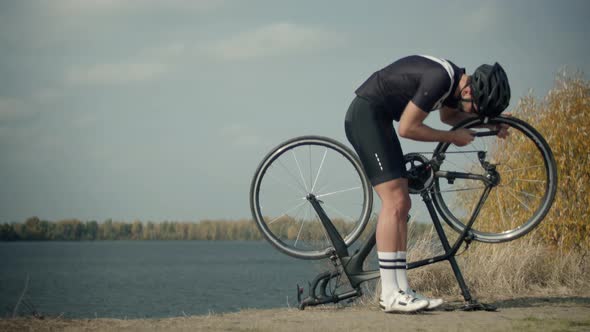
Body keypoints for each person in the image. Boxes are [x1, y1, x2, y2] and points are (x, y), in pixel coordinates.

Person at [344, 55, 511, 313]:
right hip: (365, 116)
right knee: (394, 202)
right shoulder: (440, 79)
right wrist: (452, 138)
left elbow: (450, 117)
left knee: (403, 203)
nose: (473, 114)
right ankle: (389, 294)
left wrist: (491, 124)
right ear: (469, 90)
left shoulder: (455, 84)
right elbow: (409, 128)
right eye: (477, 109)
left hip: (380, 119)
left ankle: (401, 290)